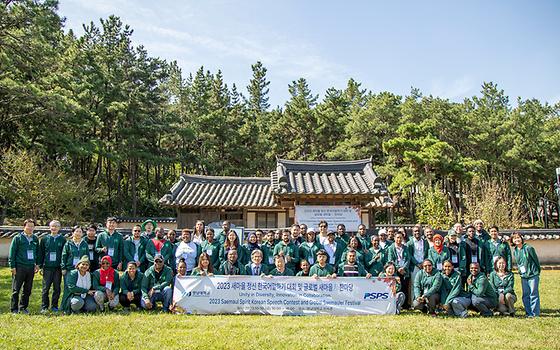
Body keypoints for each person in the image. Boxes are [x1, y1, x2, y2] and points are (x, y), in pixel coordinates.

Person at [9, 218, 40, 314]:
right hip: (19, 266)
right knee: (16, 289)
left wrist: (37, 264)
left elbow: (37, 252)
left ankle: (23, 307)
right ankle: (14, 309)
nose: (30, 228)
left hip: (30, 267)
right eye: (28, 226)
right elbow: (12, 253)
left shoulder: (35, 238)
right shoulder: (18, 238)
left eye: (32, 226)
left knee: (27, 289)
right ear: (24, 227)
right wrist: (12, 266)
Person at [38, 220, 66, 313]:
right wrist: (40, 266)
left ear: (59, 228)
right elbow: (41, 253)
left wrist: (63, 267)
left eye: (56, 226)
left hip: (58, 268)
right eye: (52, 226)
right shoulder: (44, 239)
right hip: (47, 267)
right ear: (49, 227)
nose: (54, 228)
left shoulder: (62, 239)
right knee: (46, 288)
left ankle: (54, 306)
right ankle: (44, 307)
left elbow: (64, 254)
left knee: (57, 288)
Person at [511, 232, 541, 317]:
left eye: (518, 237)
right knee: (525, 294)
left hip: (532, 274)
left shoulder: (529, 248)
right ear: (512, 240)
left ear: (521, 238)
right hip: (523, 275)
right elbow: (519, 263)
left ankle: (535, 313)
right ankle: (528, 312)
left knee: (533, 293)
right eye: (515, 238)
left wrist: (537, 271)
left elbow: (536, 260)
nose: (517, 239)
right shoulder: (516, 250)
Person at [386, 232, 411, 307]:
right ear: (394, 238)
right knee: (397, 287)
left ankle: (405, 305)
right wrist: (398, 268)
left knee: (405, 287)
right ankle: (395, 304)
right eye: (397, 237)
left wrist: (404, 268)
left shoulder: (405, 247)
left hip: (404, 270)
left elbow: (408, 259)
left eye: (400, 238)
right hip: (395, 271)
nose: (399, 239)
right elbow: (390, 260)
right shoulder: (391, 248)